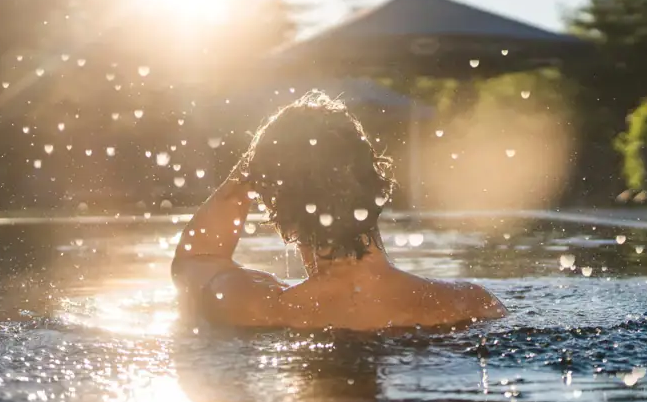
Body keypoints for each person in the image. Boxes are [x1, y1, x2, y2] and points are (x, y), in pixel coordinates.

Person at [170, 91, 506, 331]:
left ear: (276, 206)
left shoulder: (258, 308)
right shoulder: (469, 303)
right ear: (377, 188)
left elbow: (195, 259)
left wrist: (253, 171)